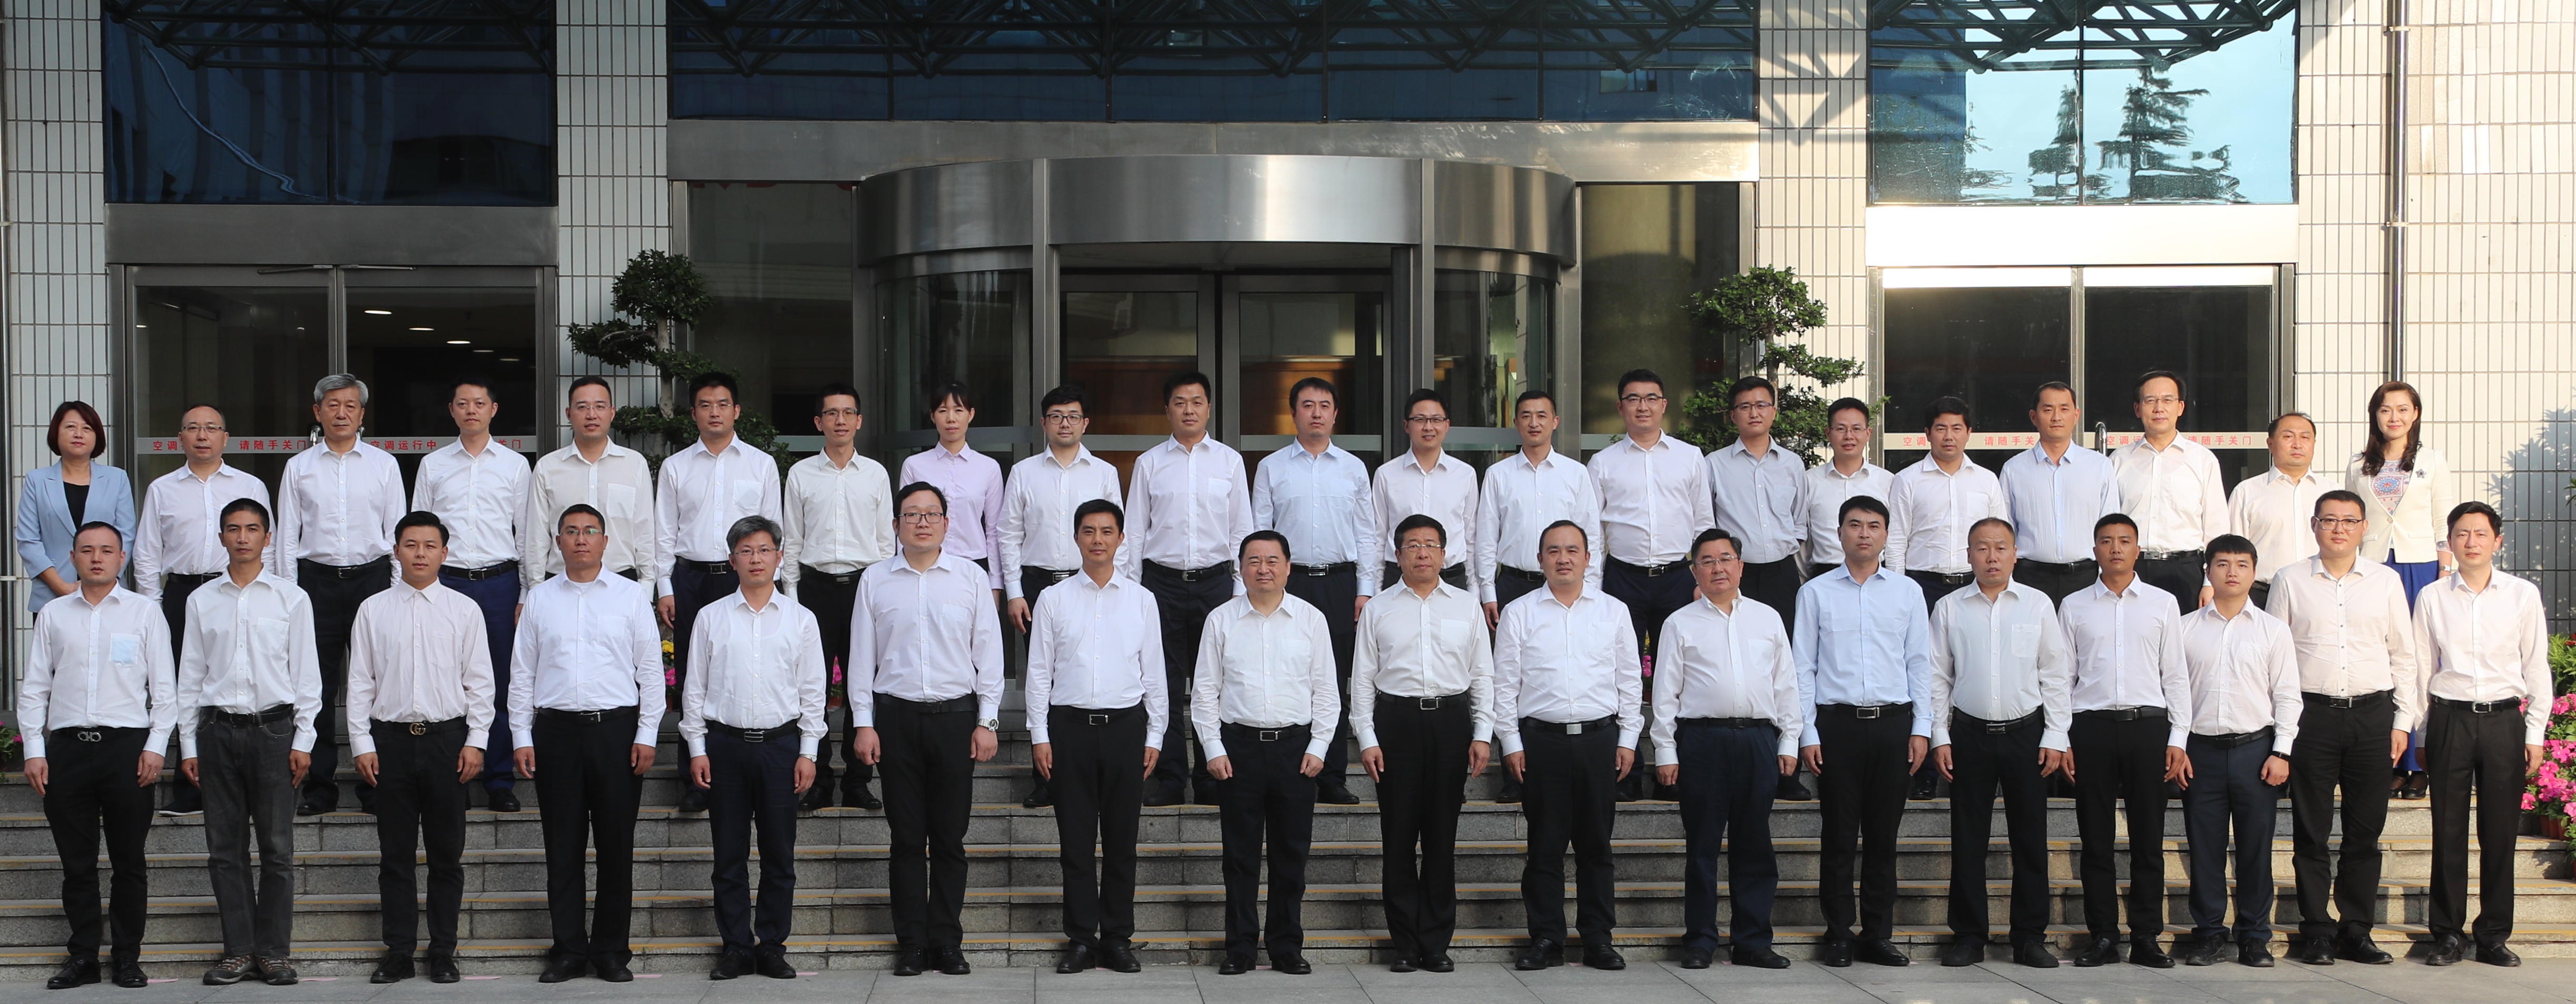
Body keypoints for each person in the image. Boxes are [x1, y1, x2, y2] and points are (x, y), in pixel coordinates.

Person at [850, 484, 1004, 977]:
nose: (921, 522)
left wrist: (987, 721)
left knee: (950, 838)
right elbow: (861, 659)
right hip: (895, 720)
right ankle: (912, 943)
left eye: (931, 514)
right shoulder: (875, 579)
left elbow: (989, 655)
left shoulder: (970, 577)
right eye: (911, 514)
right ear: (896, 524)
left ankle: (947, 940)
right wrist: (863, 724)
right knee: (906, 838)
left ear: (946, 522)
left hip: (955, 720)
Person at [511, 503, 663, 984]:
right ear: (558, 542)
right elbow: (522, 672)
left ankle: (612, 951)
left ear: (605, 542)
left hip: (615, 732)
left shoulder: (630, 595)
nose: (581, 539)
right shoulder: (540, 598)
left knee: (616, 847)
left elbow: (650, 670)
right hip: (555, 733)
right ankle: (568, 950)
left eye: (590, 531)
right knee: (563, 847)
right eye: (571, 531)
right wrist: (521, 734)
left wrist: (647, 733)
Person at [20, 521, 174, 990]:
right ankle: (83, 956)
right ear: (73, 557)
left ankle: (127, 957)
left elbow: (165, 690)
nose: (96, 558)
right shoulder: (54, 614)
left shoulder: (145, 612)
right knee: (77, 863)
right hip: (67, 750)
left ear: (122, 558)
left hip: (127, 749)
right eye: (87, 550)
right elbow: (35, 687)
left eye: (107, 550)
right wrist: (34, 749)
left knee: (129, 861)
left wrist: (155, 746)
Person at [2266, 489, 2416, 965]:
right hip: (2311, 716)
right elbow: (2274, 658)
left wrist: (2402, 721)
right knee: (2311, 831)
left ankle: (2356, 929)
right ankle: (2316, 930)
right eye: (2329, 519)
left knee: (2363, 833)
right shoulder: (2289, 579)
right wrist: (2282, 730)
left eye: (2349, 521)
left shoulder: (2385, 581)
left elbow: (2404, 655)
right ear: (2314, 525)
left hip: (2373, 717)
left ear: (2363, 528)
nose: (2338, 529)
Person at [345, 512, 495, 985]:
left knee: (446, 856)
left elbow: (480, 683)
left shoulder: (464, 609)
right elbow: (359, 681)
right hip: (390, 742)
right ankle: (399, 951)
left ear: (445, 553)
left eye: (430, 545)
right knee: (395, 856)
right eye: (411, 545)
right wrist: (361, 742)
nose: (420, 554)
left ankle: (443, 950)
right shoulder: (373, 609)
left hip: (447, 743)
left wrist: (476, 741)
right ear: (396, 551)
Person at [177, 498, 321, 987]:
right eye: (233, 528)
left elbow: (307, 675)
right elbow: (190, 676)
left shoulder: (291, 598)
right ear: (221, 536)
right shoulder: (202, 600)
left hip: (274, 731)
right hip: (217, 731)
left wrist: (304, 739)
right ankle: (238, 951)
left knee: (277, 848)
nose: (243, 537)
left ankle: (274, 952)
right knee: (225, 849)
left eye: (253, 528)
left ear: (268, 537)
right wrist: (189, 745)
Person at [681, 514, 825, 980]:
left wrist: (808, 751)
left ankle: (772, 946)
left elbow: (813, 692)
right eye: (746, 551)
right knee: (728, 856)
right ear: (732, 560)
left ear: (780, 557)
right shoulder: (711, 617)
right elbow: (694, 689)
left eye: (764, 550)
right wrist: (697, 747)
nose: (755, 559)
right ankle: (737, 947)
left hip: (781, 747)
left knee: (780, 855)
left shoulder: (801, 620)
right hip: (725, 747)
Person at [1494, 520, 1641, 972]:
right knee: (1544, 847)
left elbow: (1629, 680)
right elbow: (1505, 685)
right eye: (1554, 550)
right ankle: (1546, 938)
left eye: (1572, 550)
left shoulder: (1613, 610)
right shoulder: (1519, 612)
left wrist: (1629, 739)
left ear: (1587, 558)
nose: (1563, 558)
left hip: (1600, 740)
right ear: (1540, 559)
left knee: (1597, 846)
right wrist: (1511, 742)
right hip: (1541, 742)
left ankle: (1598, 938)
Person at [1027, 499, 1166, 975]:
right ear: (1076, 537)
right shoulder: (1054, 598)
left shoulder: (1141, 599)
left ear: (1121, 538)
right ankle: (1082, 939)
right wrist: (1039, 734)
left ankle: (1118, 938)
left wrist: (1156, 733)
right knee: (1076, 842)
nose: (1098, 540)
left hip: (1126, 728)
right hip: (1069, 730)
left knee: (1122, 842)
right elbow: (1038, 672)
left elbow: (1155, 673)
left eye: (1107, 531)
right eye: (1088, 531)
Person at [2411, 501, 2550, 968]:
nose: (2470, 542)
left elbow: (2535, 666)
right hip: (2448, 718)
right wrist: (2422, 733)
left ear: (2497, 541)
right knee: (2447, 830)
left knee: (2500, 831)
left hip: (2503, 721)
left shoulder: (2521, 594)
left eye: (2480, 533)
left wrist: (2534, 731)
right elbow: (2421, 668)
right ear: (2449, 541)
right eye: (2461, 534)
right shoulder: (2432, 596)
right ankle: (2446, 934)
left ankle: (2492, 934)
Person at [1928, 518, 2071, 969]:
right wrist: (1939, 734)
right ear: (1968, 555)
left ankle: (2028, 937)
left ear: (2015, 554)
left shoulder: (2037, 603)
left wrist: (2056, 734)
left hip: (2026, 735)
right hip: (1967, 735)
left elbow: (2055, 673)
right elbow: (1937, 676)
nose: (1991, 556)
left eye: (2000, 547)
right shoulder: (1949, 607)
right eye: (1982, 548)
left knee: (2030, 839)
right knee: (1967, 838)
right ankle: (1968, 935)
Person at [1794, 494, 1931, 968]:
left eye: (1874, 525)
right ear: (1839, 533)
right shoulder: (1815, 593)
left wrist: (1922, 728)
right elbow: (1802, 667)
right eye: (1854, 524)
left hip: (1893, 725)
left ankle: (1877, 933)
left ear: (1886, 535)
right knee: (1837, 835)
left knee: (1882, 837)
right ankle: (1837, 932)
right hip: (1836, 727)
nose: (1864, 533)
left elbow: (1920, 663)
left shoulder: (1907, 592)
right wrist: (1807, 732)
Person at [1353, 514, 1493, 973]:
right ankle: (1404, 944)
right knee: (1397, 837)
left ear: (1444, 554)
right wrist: (1367, 738)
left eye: (1431, 544)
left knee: (1440, 835)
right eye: (1412, 545)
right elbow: (1362, 679)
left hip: (1450, 723)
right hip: (1395, 723)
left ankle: (1435, 941)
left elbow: (1482, 674)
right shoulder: (1378, 608)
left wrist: (1481, 733)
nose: (1422, 553)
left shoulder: (1466, 606)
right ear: (1397, 555)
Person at [1651, 529, 1796, 971]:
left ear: (1740, 566)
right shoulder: (1679, 623)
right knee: (1702, 846)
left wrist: (1789, 738)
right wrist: (1665, 749)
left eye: (1725, 558)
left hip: (1757, 739)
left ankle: (1752, 940)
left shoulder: (1767, 618)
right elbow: (1665, 693)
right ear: (1694, 570)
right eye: (1707, 560)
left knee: (1755, 844)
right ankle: (1700, 939)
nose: (1718, 567)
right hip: (1702, 741)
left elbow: (1785, 684)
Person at [1195, 530, 1339, 976]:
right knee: (1239, 857)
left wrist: (1319, 746)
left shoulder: (1310, 619)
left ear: (1288, 567)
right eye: (1254, 560)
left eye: (1272, 560)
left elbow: (1326, 691)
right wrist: (1213, 747)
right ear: (1240, 568)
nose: (1263, 568)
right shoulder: (1220, 620)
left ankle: (1285, 946)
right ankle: (1239, 947)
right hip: (1237, 749)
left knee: (1290, 855)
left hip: (1295, 751)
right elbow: (1204, 691)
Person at [2060, 513, 2188, 968]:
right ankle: (2102, 936)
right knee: (2095, 839)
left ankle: (2146, 935)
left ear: (2137, 549)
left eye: (2124, 540)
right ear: (2094, 549)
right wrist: (2062, 736)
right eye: (2106, 540)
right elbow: (2062, 676)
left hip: (2146, 727)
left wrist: (2178, 736)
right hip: (2090, 728)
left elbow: (2175, 674)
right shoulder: (2073, 605)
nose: (2115, 548)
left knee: (2147, 839)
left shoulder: (2162, 603)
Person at [275, 374, 405, 816]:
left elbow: (396, 532)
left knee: (376, 682)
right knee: (316, 684)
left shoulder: (384, 465)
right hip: (316, 583)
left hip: (373, 580)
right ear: (318, 412)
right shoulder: (299, 467)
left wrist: (396, 591)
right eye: (333, 405)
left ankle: (377, 785)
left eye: (351, 405)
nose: (342, 413)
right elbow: (287, 537)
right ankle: (320, 786)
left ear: (362, 413)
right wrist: (289, 595)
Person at [656, 372, 785, 812]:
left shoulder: (760, 464)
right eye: (706, 405)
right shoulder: (676, 467)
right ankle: (693, 776)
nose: (715, 412)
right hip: (690, 578)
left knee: (746, 665)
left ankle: (741, 767)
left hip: (743, 577)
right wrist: (665, 587)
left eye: (723, 404)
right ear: (693, 412)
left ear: (737, 411)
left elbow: (772, 531)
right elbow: (664, 533)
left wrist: (772, 584)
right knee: (693, 674)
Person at [134, 403, 270, 818]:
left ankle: (248, 781)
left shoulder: (250, 485)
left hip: (237, 589)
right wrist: (153, 608)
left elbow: (269, 546)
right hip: (181, 593)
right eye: (192, 428)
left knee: (240, 675)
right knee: (185, 684)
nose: (202, 435)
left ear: (225, 437)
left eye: (211, 428)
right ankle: (189, 786)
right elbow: (147, 553)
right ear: (180, 438)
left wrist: (268, 596)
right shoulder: (162, 488)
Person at [1126, 372, 1253, 807]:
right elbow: (1135, 531)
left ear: (1209, 408)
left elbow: (1241, 530)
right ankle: (1169, 776)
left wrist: (1239, 590)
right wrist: (1133, 591)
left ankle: (1210, 775)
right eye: (1180, 402)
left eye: (1197, 401)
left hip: (1215, 583)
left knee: (1212, 682)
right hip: (1160, 583)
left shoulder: (1229, 462)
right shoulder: (1149, 463)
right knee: (1161, 681)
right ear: (1167, 410)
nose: (1188, 410)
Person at [2173, 535, 2300, 968]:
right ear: (2207, 570)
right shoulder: (2184, 628)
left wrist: (2281, 751)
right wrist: (2178, 746)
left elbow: (2287, 695)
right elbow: (2173, 693)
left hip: (2255, 751)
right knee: (2204, 848)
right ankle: (2209, 934)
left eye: (2242, 564)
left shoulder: (2272, 629)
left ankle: (2254, 936)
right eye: (2222, 563)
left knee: (2255, 849)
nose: (2232, 572)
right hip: (2200, 752)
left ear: (2253, 572)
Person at [1586, 369, 1712, 800]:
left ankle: (1670, 770)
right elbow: (1591, 530)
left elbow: (1703, 521)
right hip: (1622, 578)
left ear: (1664, 404)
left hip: (1678, 578)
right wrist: (1593, 587)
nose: (1642, 406)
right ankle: (1626, 771)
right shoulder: (1602, 463)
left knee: (1678, 675)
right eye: (1633, 398)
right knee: (1620, 673)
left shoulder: (1689, 457)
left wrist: (1701, 577)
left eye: (1651, 398)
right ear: (1620, 407)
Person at [1251, 377, 1376, 806]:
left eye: (1324, 405)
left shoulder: (1353, 468)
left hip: (1340, 583)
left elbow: (1367, 533)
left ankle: (1332, 774)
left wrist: (1365, 589)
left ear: (1335, 414)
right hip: (1289, 581)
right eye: (1307, 405)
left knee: (1332, 679)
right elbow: (1259, 530)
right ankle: (1291, 765)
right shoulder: (1271, 467)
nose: (1316, 412)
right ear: (1294, 413)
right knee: (1287, 671)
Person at [1473, 389, 1602, 800]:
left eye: (1542, 415)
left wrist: (1591, 590)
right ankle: (1514, 773)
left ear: (1555, 422)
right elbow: (1485, 537)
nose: (1534, 423)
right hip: (1513, 584)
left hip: (1567, 586)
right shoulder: (1498, 474)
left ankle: (1560, 765)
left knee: (1559, 666)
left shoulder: (1575, 474)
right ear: (1516, 423)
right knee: (1510, 675)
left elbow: (1592, 535)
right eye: (1526, 415)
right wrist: (1487, 591)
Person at [410, 376, 531, 813]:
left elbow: (526, 532)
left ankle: (498, 779)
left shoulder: (515, 465)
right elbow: (419, 528)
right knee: (446, 680)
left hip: (499, 582)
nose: (471, 410)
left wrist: (526, 590)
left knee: (496, 681)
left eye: (479, 403)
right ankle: (452, 779)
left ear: (493, 409)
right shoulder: (434, 465)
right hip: (448, 582)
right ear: (452, 410)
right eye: (462, 403)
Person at [1001, 384, 1123, 809]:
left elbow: (1116, 534)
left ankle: (1086, 772)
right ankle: (1047, 779)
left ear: (1085, 422)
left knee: (1086, 674)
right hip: (1037, 585)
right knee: (1044, 680)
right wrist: (1014, 592)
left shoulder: (1104, 472)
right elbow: (1008, 534)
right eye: (1056, 416)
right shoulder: (1024, 472)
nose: (1065, 423)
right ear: (1044, 423)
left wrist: (1118, 588)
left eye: (1072, 416)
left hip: (1090, 583)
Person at [781, 383, 896, 813]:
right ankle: (818, 778)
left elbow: (885, 543)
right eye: (831, 413)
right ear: (819, 422)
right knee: (811, 687)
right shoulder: (800, 474)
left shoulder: (876, 474)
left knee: (860, 686)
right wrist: (791, 597)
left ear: (859, 420)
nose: (840, 420)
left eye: (848, 413)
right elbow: (792, 540)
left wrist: (883, 596)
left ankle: (858, 781)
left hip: (864, 588)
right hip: (813, 589)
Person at [2349, 382, 2454, 802]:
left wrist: (2444, 571)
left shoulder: (2431, 461)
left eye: (2402, 409)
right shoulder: (2358, 465)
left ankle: (2418, 761)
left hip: (2420, 565)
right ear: (2374, 415)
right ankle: (2389, 761)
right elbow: (2352, 522)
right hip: (2374, 566)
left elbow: (2443, 520)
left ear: (2415, 414)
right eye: (2384, 409)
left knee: (2418, 658)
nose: (2393, 417)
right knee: (2381, 657)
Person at [522, 376, 658, 584]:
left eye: (600, 406)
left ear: (612, 412)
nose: (591, 415)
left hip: (621, 581)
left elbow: (645, 531)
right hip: (560, 582)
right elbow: (537, 536)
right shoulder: (547, 468)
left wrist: (647, 585)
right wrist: (535, 588)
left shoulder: (634, 464)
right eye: (583, 407)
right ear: (569, 414)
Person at [2110, 371, 2228, 612]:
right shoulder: (2119, 460)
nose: (2159, 408)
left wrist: (2210, 582)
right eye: (2150, 400)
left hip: (2186, 571)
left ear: (2180, 407)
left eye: (2167, 400)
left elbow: (2217, 528)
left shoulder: (2202, 460)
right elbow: (2107, 523)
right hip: (2132, 570)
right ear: (2137, 408)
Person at [2000, 383, 2119, 603]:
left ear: (2076, 415)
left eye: (2064, 409)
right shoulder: (2014, 469)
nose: (2056, 417)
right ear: (2034, 416)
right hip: (2030, 578)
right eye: (2048, 409)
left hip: (2086, 578)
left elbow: (2110, 527)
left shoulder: (2099, 466)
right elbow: (2005, 529)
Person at [1705, 377, 1809, 627]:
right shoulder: (1715, 464)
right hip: (1736, 574)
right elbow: (1706, 521)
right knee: (1735, 638)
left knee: (1785, 639)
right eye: (1745, 407)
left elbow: (1799, 521)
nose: (1754, 413)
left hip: (1782, 573)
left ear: (1774, 411)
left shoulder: (1792, 463)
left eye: (1762, 405)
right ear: (1733, 415)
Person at [1888, 396, 2007, 612]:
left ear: (1969, 433)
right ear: (1928, 433)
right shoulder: (1907, 480)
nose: (1949, 436)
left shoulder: (1987, 480)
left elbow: (2000, 537)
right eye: (1941, 429)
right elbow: (1896, 540)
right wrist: (1897, 590)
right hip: (1922, 586)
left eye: (1957, 428)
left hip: (1974, 585)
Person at [19, 402, 136, 616]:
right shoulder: (37, 481)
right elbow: (28, 540)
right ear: (56, 433)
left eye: (87, 428)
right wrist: (61, 587)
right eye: (70, 427)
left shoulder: (117, 478)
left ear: (97, 436)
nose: (78, 434)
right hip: (52, 595)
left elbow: (126, 535)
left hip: (108, 593)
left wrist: (104, 580)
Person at [897, 382, 1006, 593]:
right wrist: (903, 573)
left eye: (958, 410)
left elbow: (994, 530)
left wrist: (995, 584)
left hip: (974, 566)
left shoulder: (989, 467)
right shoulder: (914, 465)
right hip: (925, 565)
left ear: (971, 414)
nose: (951, 419)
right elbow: (905, 523)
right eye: (943, 411)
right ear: (932, 416)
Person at [2228, 413, 2335, 612]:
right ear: (2270, 444)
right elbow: (2233, 550)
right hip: (2263, 595)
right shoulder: (2247, 492)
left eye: (2305, 437)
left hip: (2323, 594)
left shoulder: (2332, 492)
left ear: (2314, 443)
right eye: (2288, 437)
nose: (2297, 445)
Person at [1373, 389, 1477, 591]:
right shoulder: (1386, 475)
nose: (1428, 427)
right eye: (1420, 420)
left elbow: (1471, 539)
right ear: (1407, 426)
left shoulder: (1465, 475)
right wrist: (1375, 590)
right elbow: (1377, 538)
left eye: (1436, 420)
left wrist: (1474, 590)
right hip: (1398, 580)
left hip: (1452, 579)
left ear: (1447, 425)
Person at [1803, 398, 1901, 582]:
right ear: (1828, 433)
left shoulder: (1887, 481)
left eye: (1856, 429)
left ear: (1868, 433)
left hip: (1876, 576)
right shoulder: (1809, 481)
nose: (1849, 436)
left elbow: (1895, 537)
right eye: (1841, 429)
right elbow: (1803, 541)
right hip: (1825, 576)